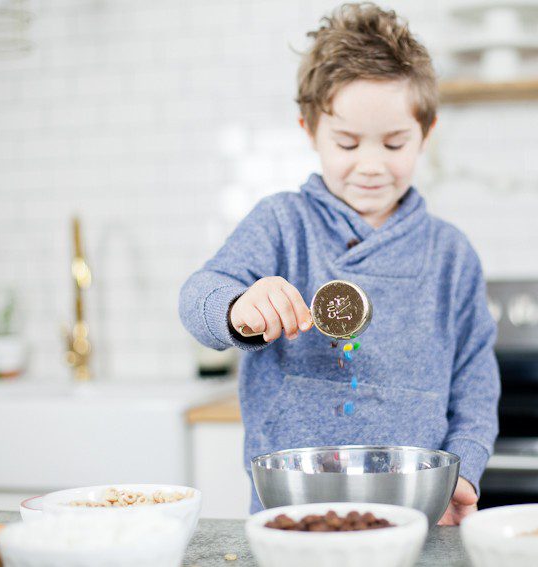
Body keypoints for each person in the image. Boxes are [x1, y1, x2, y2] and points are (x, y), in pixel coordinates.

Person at [179, 2, 499, 525]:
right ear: (309, 129)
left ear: (427, 132)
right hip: (290, 515)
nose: (371, 166)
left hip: (417, 516)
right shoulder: (282, 224)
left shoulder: (450, 254)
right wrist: (238, 308)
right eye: (347, 143)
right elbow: (197, 296)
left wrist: (463, 469)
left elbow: (476, 379)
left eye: (395, 143)